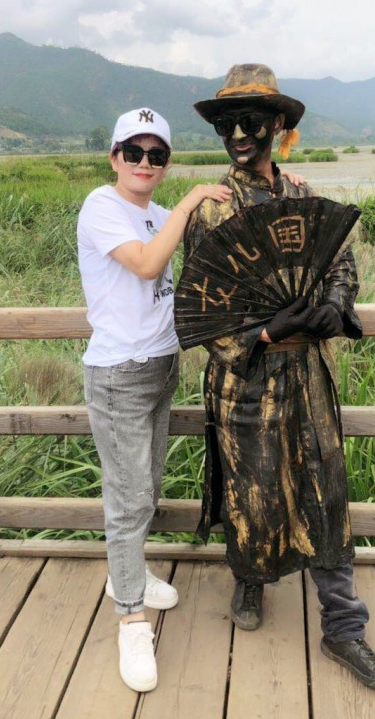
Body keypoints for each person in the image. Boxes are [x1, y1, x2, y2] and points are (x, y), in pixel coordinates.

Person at [181, 65, 375, 692]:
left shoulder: (303, 199)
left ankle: (344, 627)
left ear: (278, 125)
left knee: (326, 493)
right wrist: (262, 333)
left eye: (251, 121)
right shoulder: (211, 210)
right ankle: (250, 578)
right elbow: (203, 310)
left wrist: (333, 305)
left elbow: (340, 266)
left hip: (308, 378)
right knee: (252, 490)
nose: (238, 135)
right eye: (227, 124)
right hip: (246, 381)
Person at [77, 107, 232, 693]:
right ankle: (130, 619)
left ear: (165, 163)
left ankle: (129, 574)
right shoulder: (102, 206)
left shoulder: (161, 215)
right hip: (119, 372)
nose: (144, 163)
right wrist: (190, 202)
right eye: (134, 152)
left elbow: (221, 242)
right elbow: (145, 266)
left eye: (157, 154)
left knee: (147, 487)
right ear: (115, 156)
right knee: (128, 500)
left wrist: (283, 186)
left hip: (162, 366)